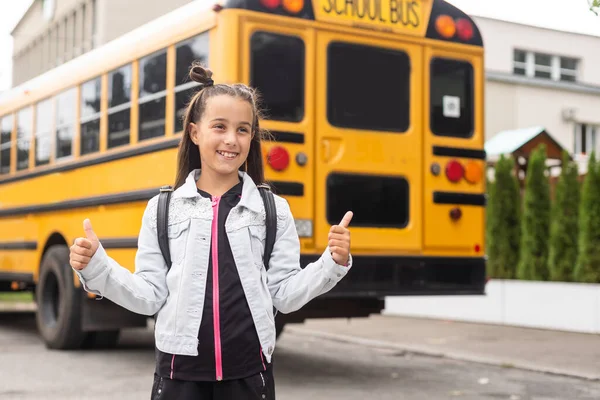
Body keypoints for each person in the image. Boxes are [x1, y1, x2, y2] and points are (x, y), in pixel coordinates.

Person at [69, 62, 354, 400]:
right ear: (195, 133)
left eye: (243, 130)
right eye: (219, 127)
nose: (231, 140)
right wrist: (96, 267)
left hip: (250, 375)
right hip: (179, 377)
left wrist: (332, 263)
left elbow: (285, 295)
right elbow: (149, 297)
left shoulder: (272, 210)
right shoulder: (163, 210)